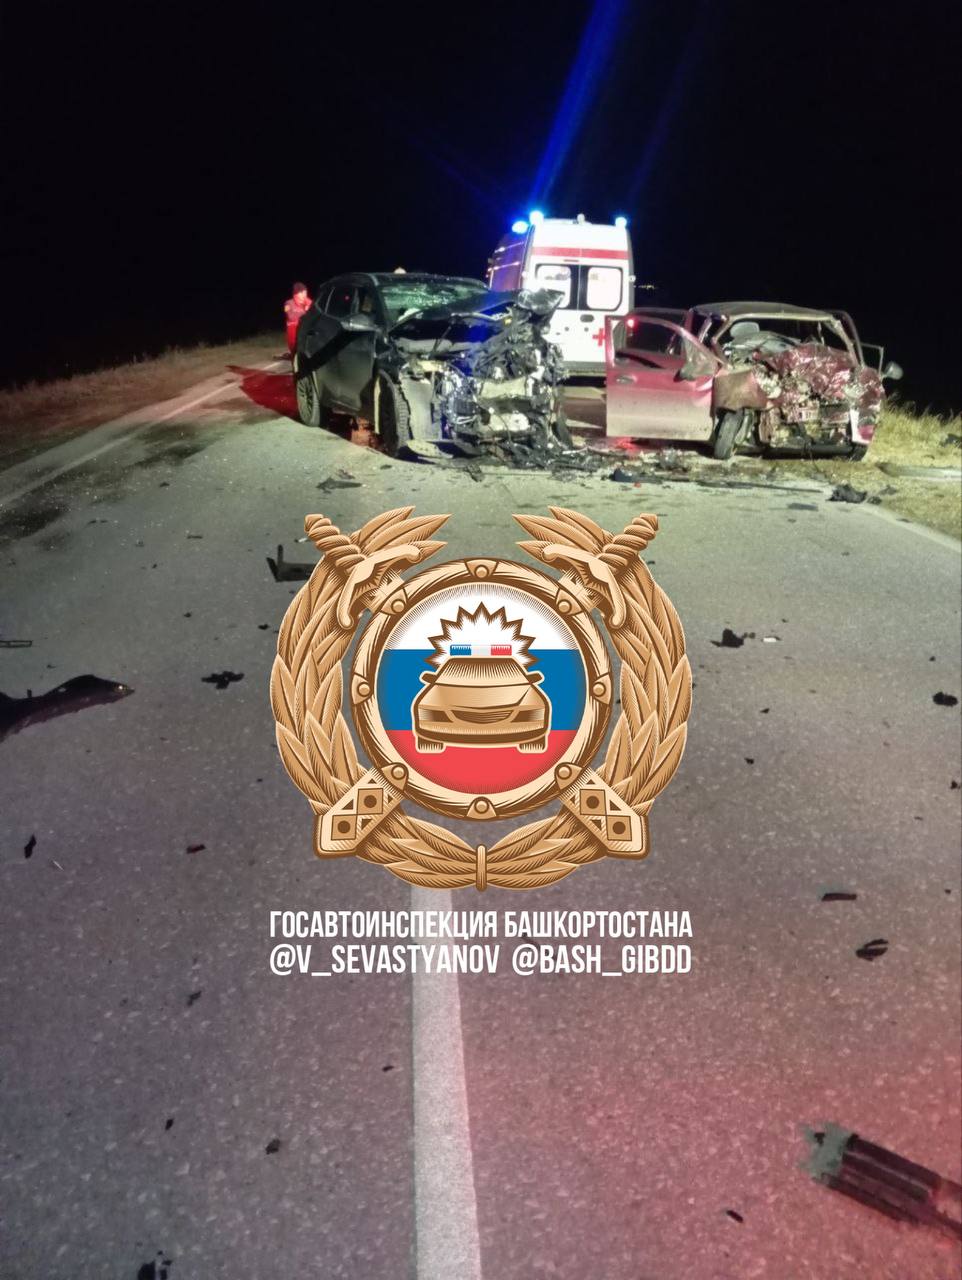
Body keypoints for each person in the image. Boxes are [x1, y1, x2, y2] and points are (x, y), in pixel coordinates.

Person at [284, 281, 313, 354]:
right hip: (293, 331)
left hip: (306, 331)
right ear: (296, 293)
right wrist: (305, 312)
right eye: (301, 293)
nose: (304, 295)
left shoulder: (310, 302)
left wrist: (309, 308)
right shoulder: (288, 303)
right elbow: (290, 316)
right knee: (295, 351)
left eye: (305, 292)